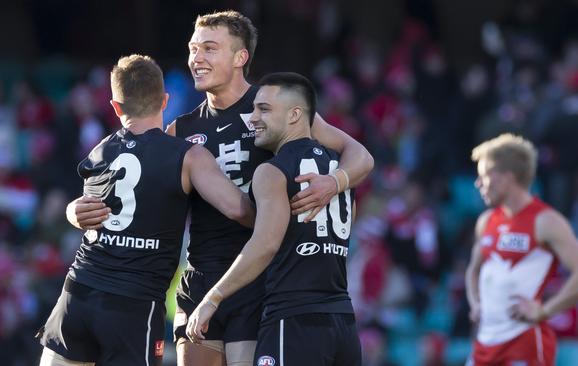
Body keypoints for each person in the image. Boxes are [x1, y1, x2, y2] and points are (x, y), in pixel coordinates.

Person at [67, 10, 373, 366]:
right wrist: (76, 211)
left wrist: (335, 182)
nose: (197, 58)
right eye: (193, 48)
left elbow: (359, 154)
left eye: (210, 48)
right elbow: (137, 202)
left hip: (258, 280)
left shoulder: (273, 108)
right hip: (200, 278)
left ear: (240, 57)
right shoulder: (179, 130)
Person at [38, 54, 256, 366]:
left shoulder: (100, 150)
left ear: (115, 107)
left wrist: (72, 212)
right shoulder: (187, 156)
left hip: (78, 293)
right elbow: (237, 209)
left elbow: (86, 212)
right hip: (133, 306)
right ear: (165, 100)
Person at [187, 72, 362, 366]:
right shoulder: (337, 171)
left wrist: (212, 298)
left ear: (295, 115)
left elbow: (265, 244)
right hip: (343, 321)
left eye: (264, 109)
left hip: (293, 321)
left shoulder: (271, 171)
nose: (253, 118)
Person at [464, 133, 578, 366]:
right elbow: (473, 271)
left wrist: (544, 311)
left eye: (485, 176)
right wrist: (475, 303)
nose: (478, 184)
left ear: (507, 178)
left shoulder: (545, 221)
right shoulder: (486, 221)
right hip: (485, 344)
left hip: (523, 344)